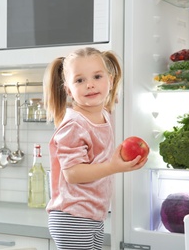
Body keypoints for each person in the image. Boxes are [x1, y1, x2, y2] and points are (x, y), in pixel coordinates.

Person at [43, 47, 147, 250]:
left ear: (110, 79)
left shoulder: (105, 115)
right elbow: (72, 173)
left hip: (92, 216)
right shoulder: (74, 124)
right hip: (73, 218)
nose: (90, 85)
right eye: (79, 80)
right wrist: (114, 166)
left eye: (97, 76)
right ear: (68, 90)